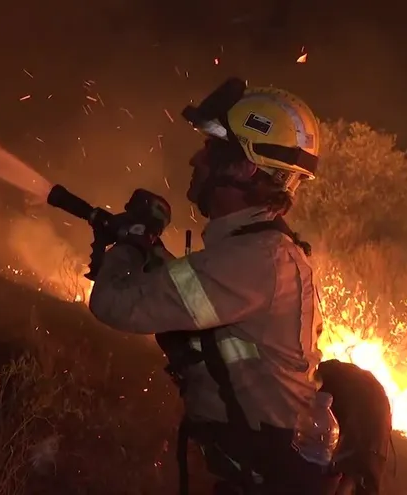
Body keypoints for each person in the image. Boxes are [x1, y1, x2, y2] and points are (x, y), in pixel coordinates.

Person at [88, 77, 340, 494]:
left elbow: (113, 303)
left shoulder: (253, 260)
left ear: (244, 168)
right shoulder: (257, 250)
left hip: (259, 480)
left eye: (211, 148)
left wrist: (131, 243)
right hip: (254, 472)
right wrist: (149, 247)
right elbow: (192, 292)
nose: (196, 159)